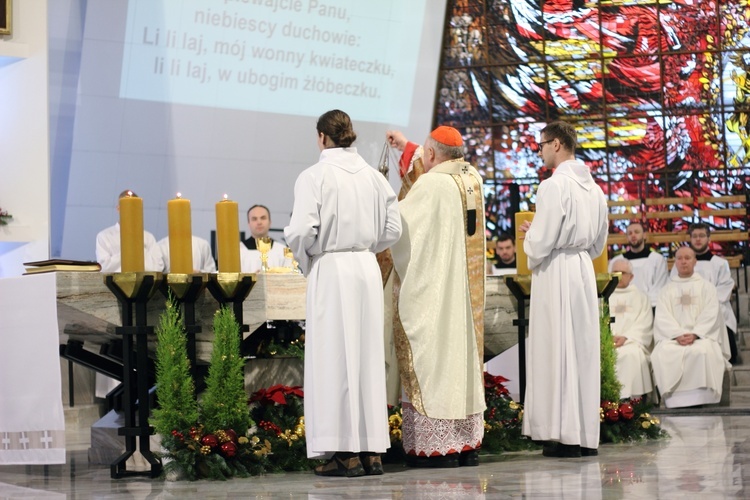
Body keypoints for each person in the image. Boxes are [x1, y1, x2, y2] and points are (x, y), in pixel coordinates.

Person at [284, 110, 401, 477]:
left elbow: (301, 231)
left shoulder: (314, 176)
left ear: (322, 137)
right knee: (366, 357)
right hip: (365, 268)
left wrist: (316, 254)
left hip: (332, 268)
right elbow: (393, 229)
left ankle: (344, 453)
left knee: (334, 358)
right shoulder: (372, 177)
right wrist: (364, 245)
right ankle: (371, 452)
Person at [387, 125, 486, 468]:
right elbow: (440, 157)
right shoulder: (471, 179)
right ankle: (465, 444)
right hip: (464, 296)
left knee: (434, 361)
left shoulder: (429, 184)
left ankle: (437, 448)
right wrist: (407, 147)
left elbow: (399, 227)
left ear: (431, 155)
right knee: (462, 361)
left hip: (435, 294)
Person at [520, 121, 608, 458]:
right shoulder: (595, 190)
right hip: (583, 268)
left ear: (557, 144)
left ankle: (561, 434)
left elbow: (540, 244)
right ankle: (584, 435)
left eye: (541, 145)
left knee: (556, 349)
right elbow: (599, 245)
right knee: (580, 350)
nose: (539, 151)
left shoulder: (553, 186)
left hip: (557, 271)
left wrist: (532, 234)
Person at [652, 246, 730, 408]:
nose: (683, 262)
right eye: (679, 258)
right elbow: (663, 317)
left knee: (703, 351)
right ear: (675, 262)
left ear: (695, 261)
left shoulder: (707, 287)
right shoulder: (666, 290)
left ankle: (703, 397)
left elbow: (711, 314)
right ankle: (673, 399)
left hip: (701, 337)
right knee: (664, 352)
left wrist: (695, 333)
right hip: (674, 339)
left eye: (687, 258)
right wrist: (677, 334)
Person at [669, 223, 738, 364]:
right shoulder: (678, 266)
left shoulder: (719, 264)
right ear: (690, 239)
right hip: (685, 313)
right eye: (694, 236)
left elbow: (723, 290)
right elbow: (673, 291)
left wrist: (703, 310)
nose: (698, 239)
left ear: (709, 238)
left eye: (701, 236)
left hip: (714, 313)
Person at [609, 259, 654, 401]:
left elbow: (644, 323)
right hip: (608, 342)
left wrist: (626, 337)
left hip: (632, 342)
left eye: (623, 273)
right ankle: (608, 400)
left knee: (631, 354)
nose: (619, 276)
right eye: (615, 272)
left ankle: (631, 400)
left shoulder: (641, 297)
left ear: (631, 276)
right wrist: (607, 337)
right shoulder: (603, 296)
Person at [95, 190, 164, 273]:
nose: (131, 211)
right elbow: (104, 267)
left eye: (134, 207)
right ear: (118, 208)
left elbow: (158, 267)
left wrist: (137, 252)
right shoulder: (104, 236)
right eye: (127, 207)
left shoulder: (148, 237)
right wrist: (132, 252)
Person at [609, 221, 668, 308]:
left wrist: (645, 304)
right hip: (623, 305)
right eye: (630, 233)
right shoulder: (617, 261)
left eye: (636, 232)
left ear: (644, 235)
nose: (633, 235)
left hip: (650, 305)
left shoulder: (657, 259)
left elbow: (660, 287)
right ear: (627, 238)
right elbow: (612, 288)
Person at [240, 205, 288, 273]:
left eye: (263, 218)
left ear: (270, 222)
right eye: (254, 219)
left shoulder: (282, 250)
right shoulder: (238, 251)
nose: (259, 222)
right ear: (249, 224)